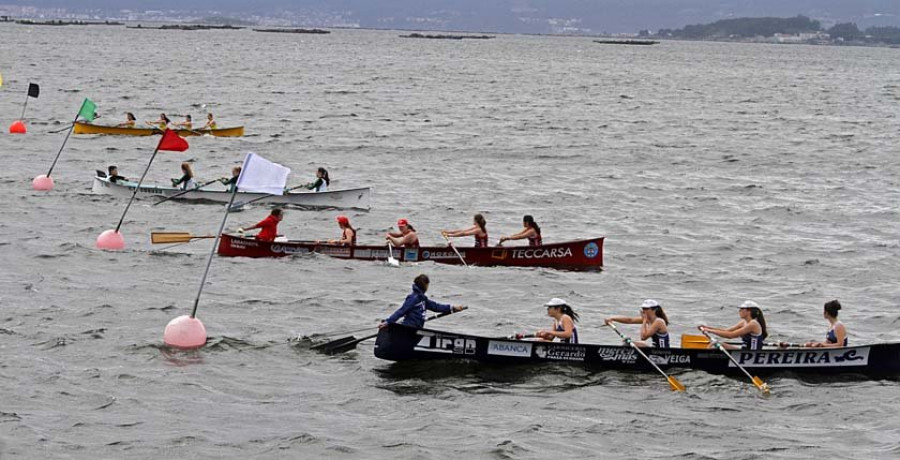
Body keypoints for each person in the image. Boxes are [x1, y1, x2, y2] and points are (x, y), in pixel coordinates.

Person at [378, 274, 464, 329]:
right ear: (425, 285)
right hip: (408, 328)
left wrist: (452, 307)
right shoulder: (413, 298)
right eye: (428, 285)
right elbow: (401, 311)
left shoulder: (423, 299)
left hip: (416, 328)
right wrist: (388, 322)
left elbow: (436, 307)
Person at [699, 300, 768, 350]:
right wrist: (708, 328)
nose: (739, 311)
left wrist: (709, 331)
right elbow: (726, 331)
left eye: (742, 309)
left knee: (714, 344)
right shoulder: (743, 322)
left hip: (752, 354)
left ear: (749, 311)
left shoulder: (753, 324)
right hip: (744, 352)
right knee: (717, 344)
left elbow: (730, 335)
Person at [605, 299, 670, 348]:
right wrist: (612, 318)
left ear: (654, 310)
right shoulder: (649, 320)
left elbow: (643, 337)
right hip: (654, 349)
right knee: (627, 342)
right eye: (643, 308)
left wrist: (644, 320)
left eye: (646, 308)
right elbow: (630, 320)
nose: (644, 310)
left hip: (662, 352)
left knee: (630, 343)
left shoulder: (659, 321)